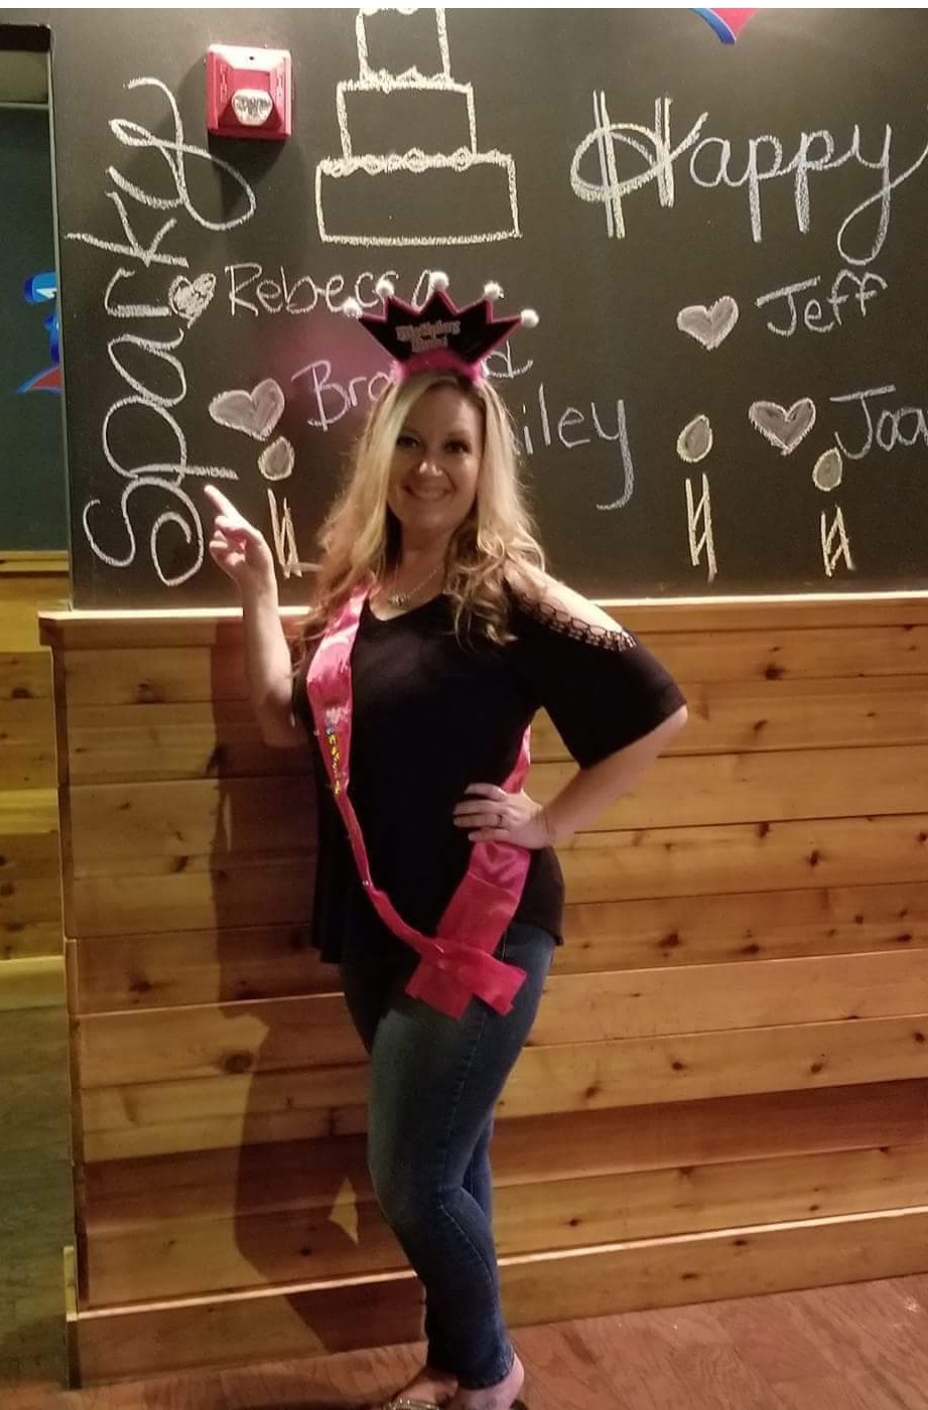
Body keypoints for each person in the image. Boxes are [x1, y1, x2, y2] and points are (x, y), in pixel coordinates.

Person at [204, 276, 688, 1410]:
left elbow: (658, 711)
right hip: (376, 925)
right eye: (413, 444)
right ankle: (459, 1367)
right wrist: (260, 590)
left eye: (456, 447)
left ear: (484, 463)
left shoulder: (510, 591)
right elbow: (281, 720)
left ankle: (493, 1369)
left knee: (413, 1182)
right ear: (382, 456)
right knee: (454, 1164)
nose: (432, 467)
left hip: (482, 929)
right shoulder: (359, 595)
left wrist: (551, 821)